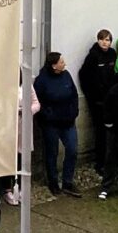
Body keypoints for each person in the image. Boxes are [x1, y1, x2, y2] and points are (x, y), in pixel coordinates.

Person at [34, 52, 81, 195]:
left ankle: (68, 182)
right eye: (61, 62)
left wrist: (74, 112)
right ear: (54, 65)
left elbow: (74, 95)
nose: (64, 64)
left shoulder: (66, 75)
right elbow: (37, 101)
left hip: (68, 121)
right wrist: (47, 116)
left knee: (72, 149)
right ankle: (53, 182)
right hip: (51, 124)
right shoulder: (42, 80)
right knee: (52, 153)